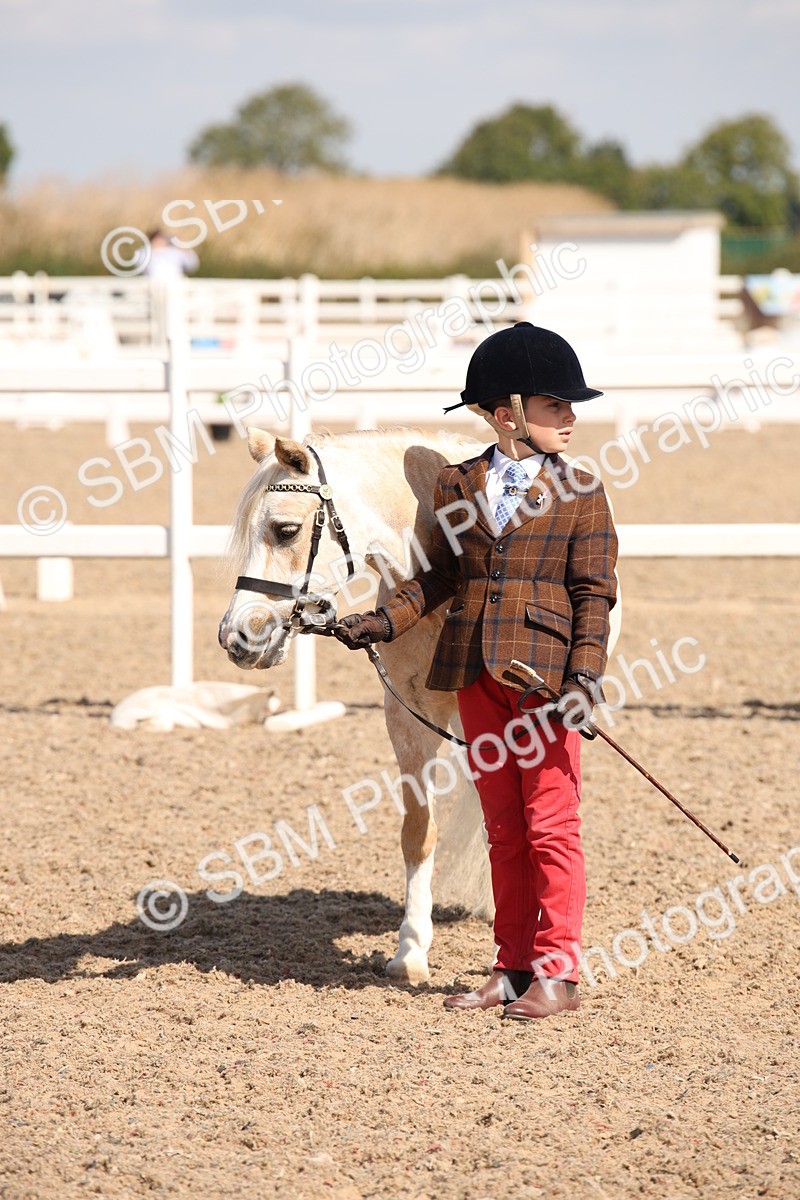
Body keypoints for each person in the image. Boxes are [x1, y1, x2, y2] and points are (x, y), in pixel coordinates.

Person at [334, 322, 619, 1021]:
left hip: (547, 681)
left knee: (551, 824)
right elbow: (435, 576)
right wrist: (384, 621)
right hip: (475, 673)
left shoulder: (581, 489)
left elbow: (595, 592)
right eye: (557, 406)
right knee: (503, 827)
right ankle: (512, 966)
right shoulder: (458, 484)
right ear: (507, 414)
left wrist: (584, 678)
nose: (572, 418)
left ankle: (559, 971)